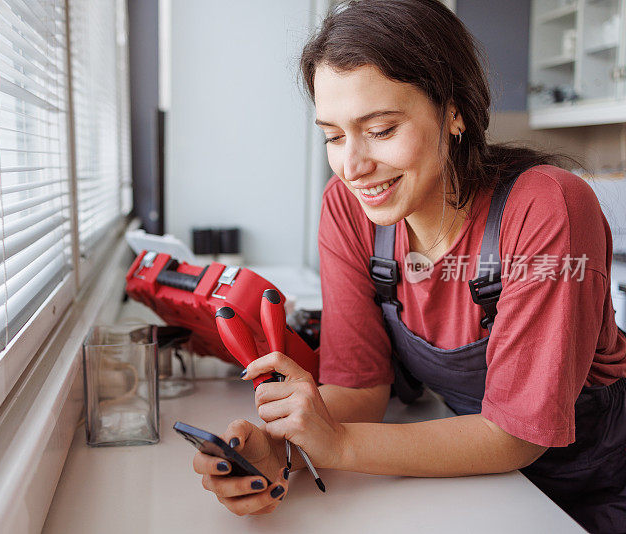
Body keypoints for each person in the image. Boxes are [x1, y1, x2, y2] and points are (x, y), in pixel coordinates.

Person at [190, 0, 626, 531]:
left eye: (381, 129)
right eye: (332, 135)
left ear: (454, 111)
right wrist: (280, 449)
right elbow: (360, 389)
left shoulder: (547, 206)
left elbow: (516, 435)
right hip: (495, 486)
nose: (352, 166)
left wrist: (341, 444)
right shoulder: (348, 210)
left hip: (607, 481)